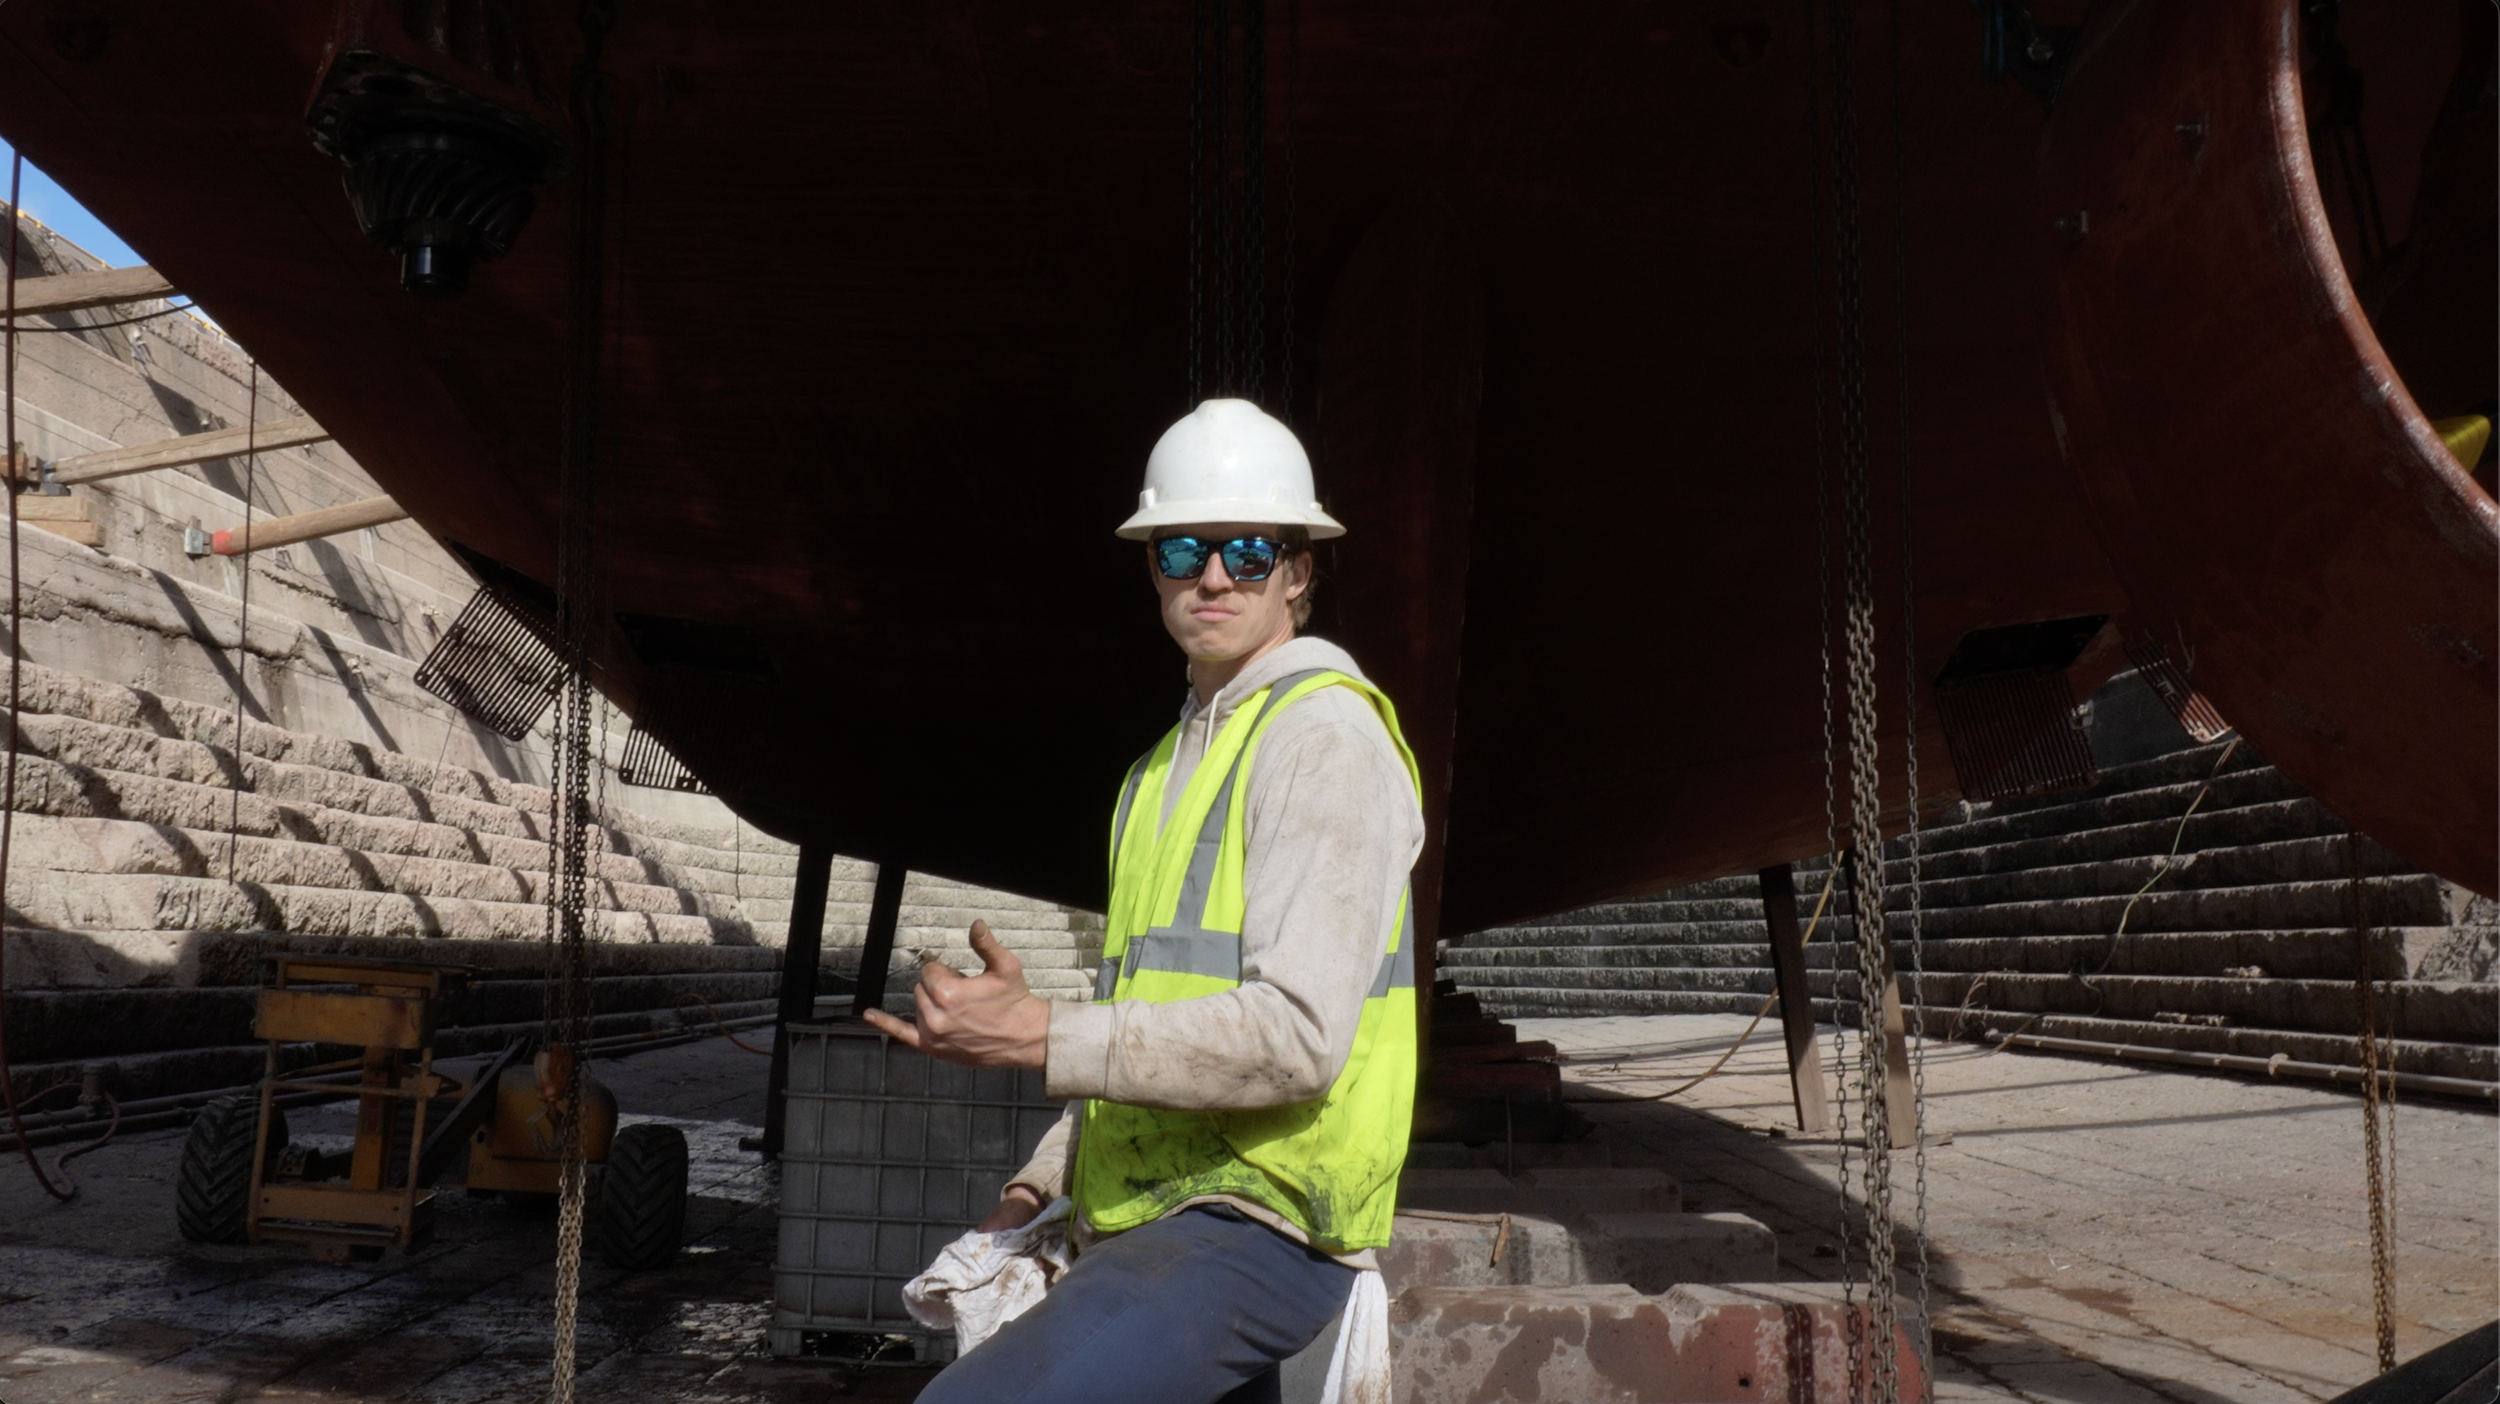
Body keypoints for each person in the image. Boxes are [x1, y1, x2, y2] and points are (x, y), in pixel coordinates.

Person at [865, 398, 1425, 1404]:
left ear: (1298, 573)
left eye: (1249, 551)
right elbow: (1151, 1015)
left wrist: (1042, 1033)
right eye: (1183, 551)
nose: (1214, 576)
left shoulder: (1324, 740)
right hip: (1146, 1214)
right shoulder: (1155, 773)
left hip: (1261, 1224)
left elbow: (1299, 1036)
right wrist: (1037, 1183)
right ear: (1151, 569)